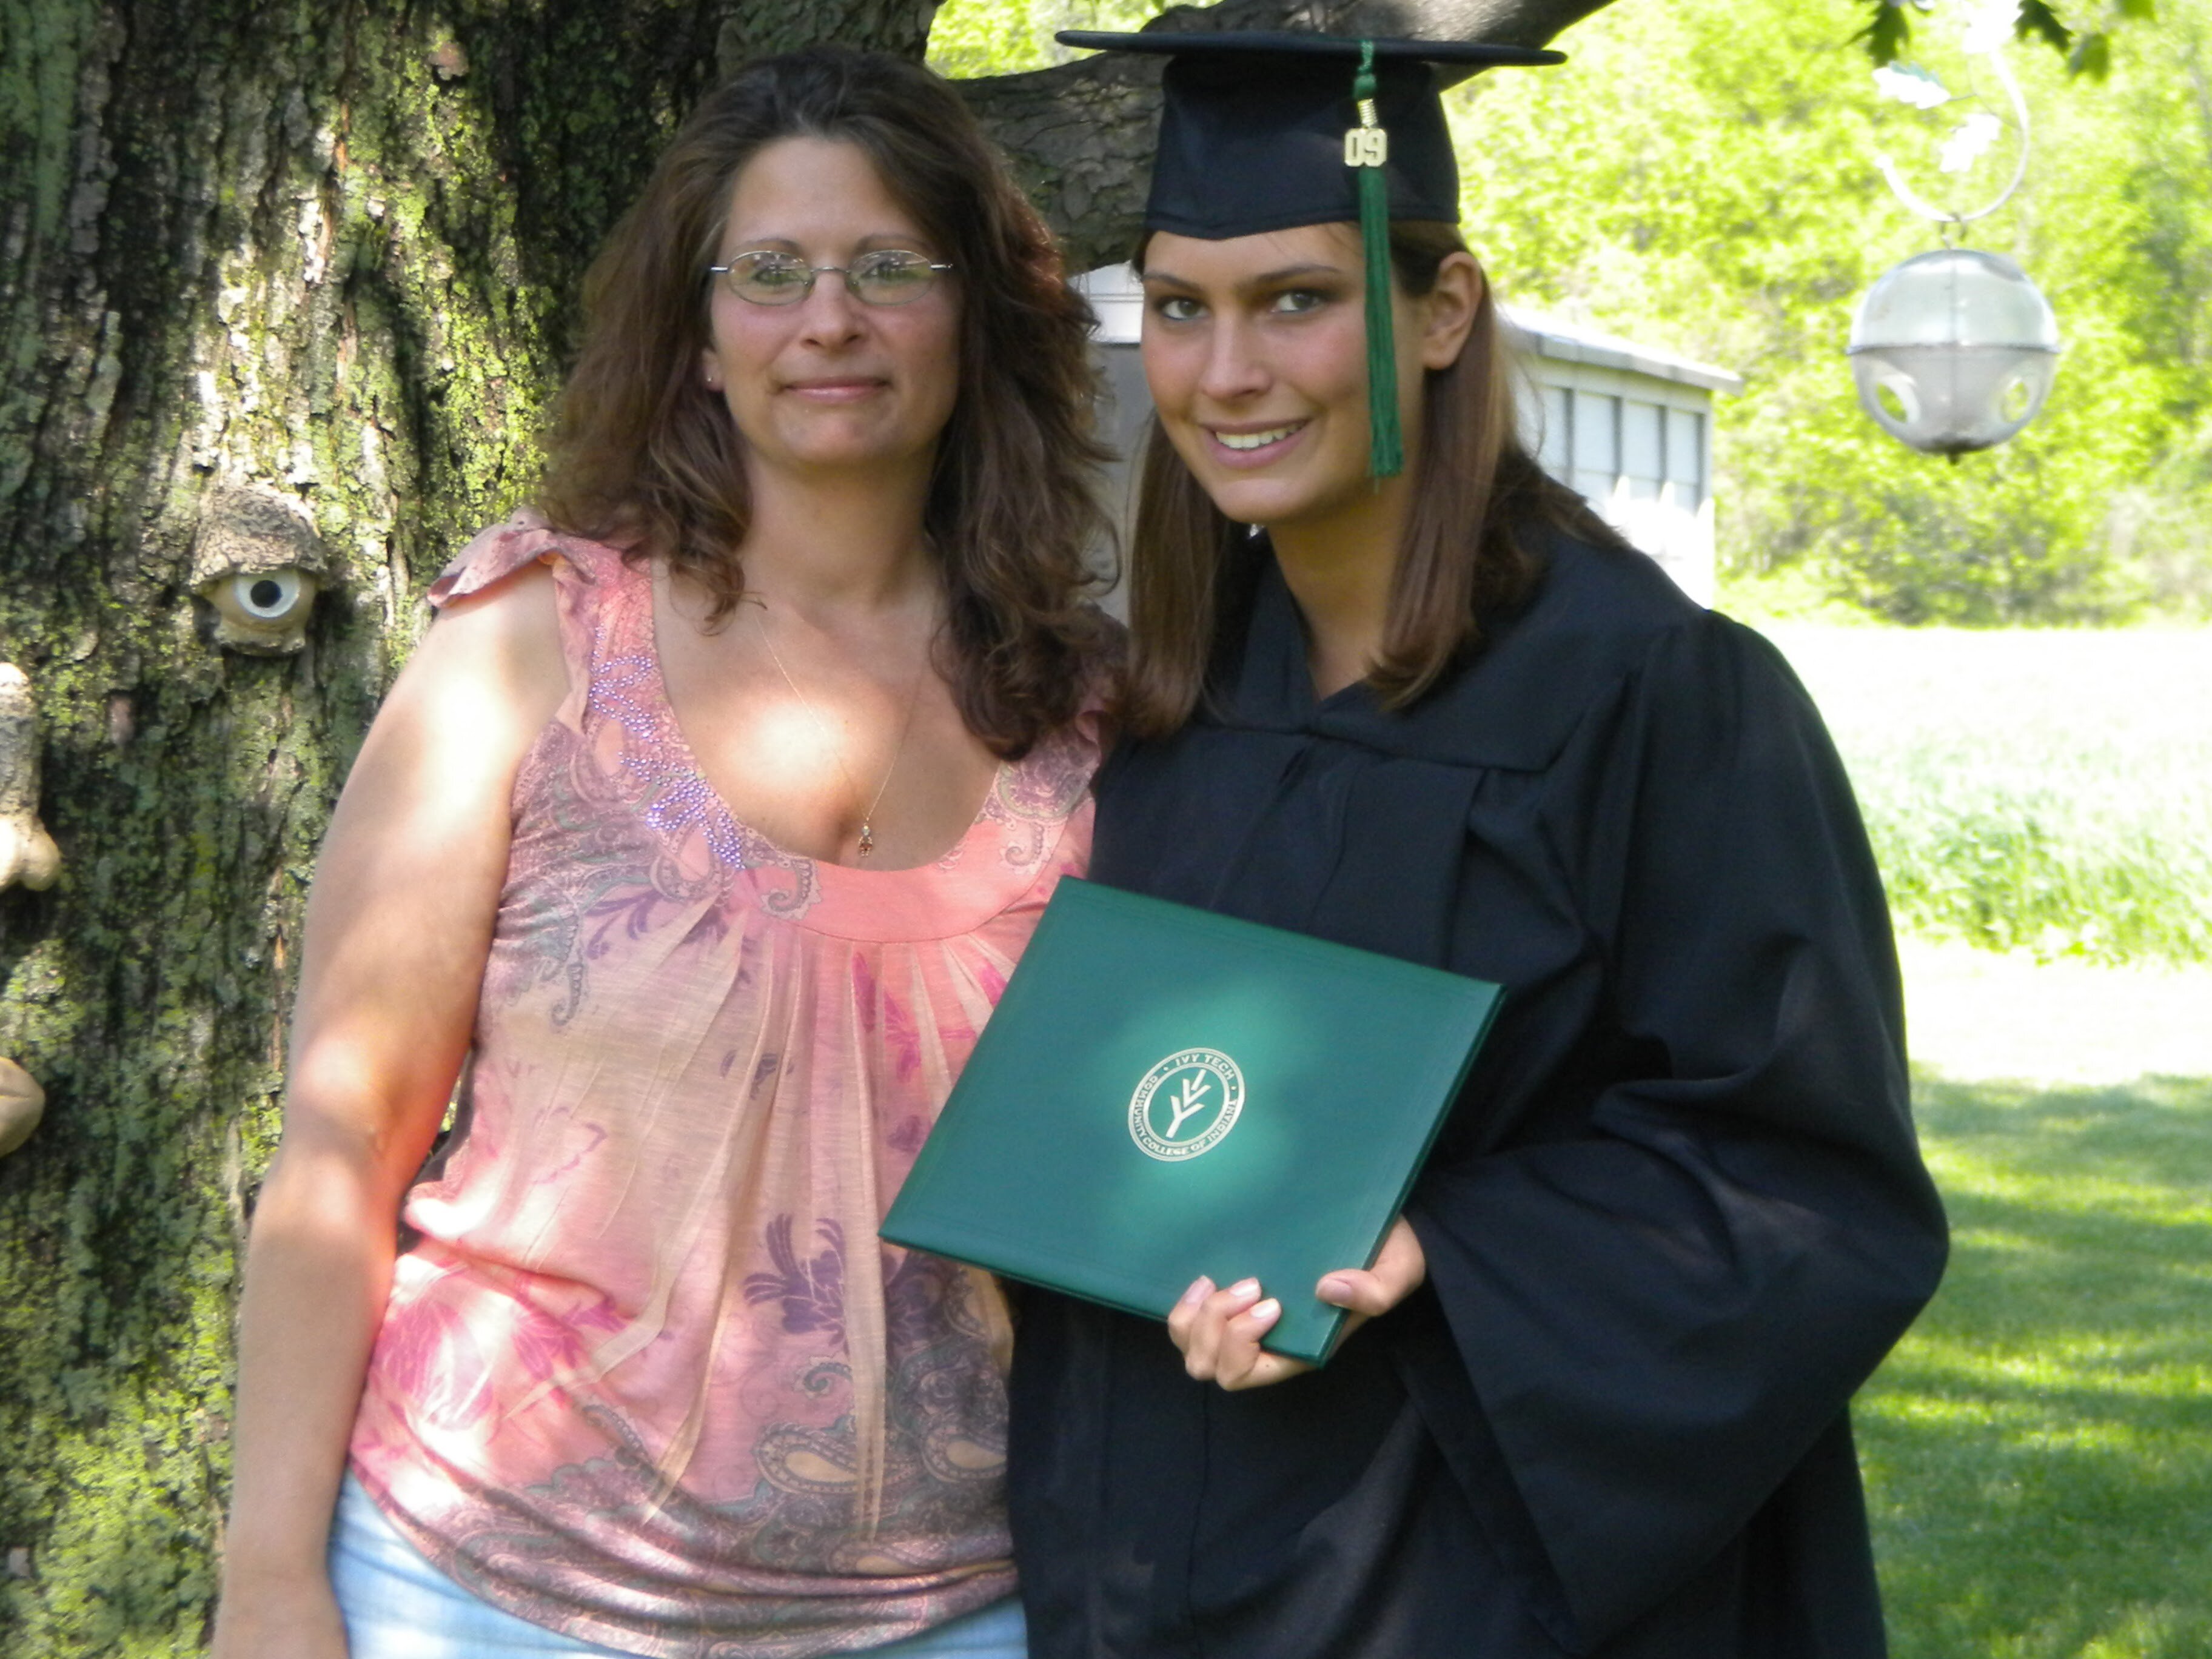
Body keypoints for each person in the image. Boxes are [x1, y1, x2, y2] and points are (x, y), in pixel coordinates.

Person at [1004, 31, 1949, 1659]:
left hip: (1462, 1565)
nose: (1226, 372)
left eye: (1297, 299)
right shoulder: (1169, 702)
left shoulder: (1655, 699)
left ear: (1440, 314)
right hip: (1161, 1527)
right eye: (1178, 306)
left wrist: (1440, 1240)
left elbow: (1807, 1180)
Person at [212, 46, 1113, 1659]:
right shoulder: (534, 647)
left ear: (973, 317)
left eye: (888, 268)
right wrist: (270, 1578)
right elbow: (346, 1133)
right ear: (699, 339)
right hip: (477, 1592)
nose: (828, 319)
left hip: (956, 1613)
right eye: (768, 273)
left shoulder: (1092, 720)